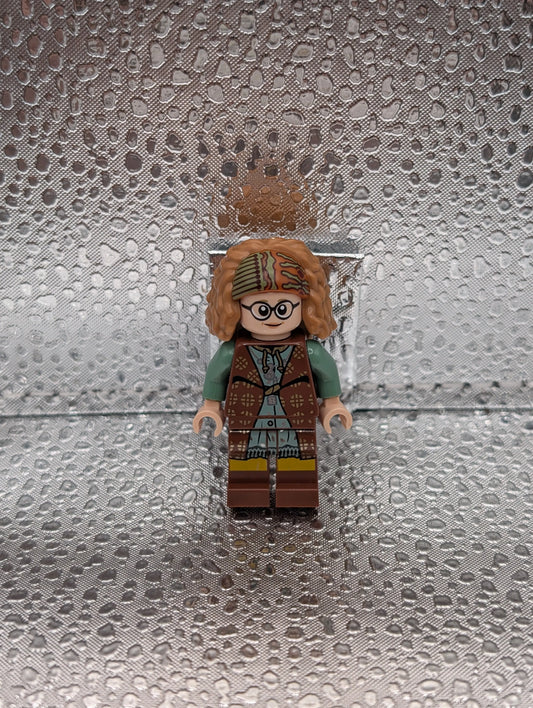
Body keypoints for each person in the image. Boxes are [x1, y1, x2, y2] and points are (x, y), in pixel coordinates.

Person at [193, 237, 352, 508]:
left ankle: (298, 494)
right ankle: (247, 494)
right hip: (248, 416)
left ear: (303, 305)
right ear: (237, 307)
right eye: (261, 309)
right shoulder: (232, 351)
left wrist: (332, 403)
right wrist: (210, 406)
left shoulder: (309, 350)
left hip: (295, 415)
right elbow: (217, 374)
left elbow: (326, 372)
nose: (273, 317)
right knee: (247, 457)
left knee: (298, 458)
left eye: (283, 308)